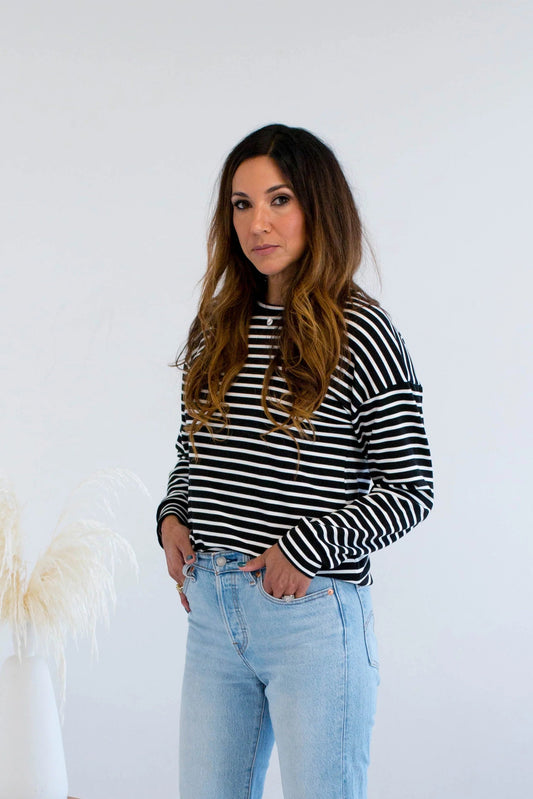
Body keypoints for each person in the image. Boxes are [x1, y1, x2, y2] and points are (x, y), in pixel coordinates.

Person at [156, 123, 434, 799]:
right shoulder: (217, 325)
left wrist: (304, 547)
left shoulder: (359, 329)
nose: (258, 222)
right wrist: (173, 513)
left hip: (312, 616)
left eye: (279, 199)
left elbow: (410, 487)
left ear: (317, 206)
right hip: (214, 617)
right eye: (242, 203)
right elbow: (192, 449)